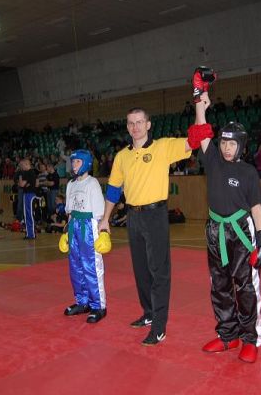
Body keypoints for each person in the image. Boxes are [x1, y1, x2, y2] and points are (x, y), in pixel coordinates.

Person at [190, 69, 261, 364]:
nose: (226, 147)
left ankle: (250, 338)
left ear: (241, 145)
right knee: (220, 286)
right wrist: (199, 99)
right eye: (223, 142)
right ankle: (228, 335)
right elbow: (201, 130)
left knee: (245, 286)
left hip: (240, 231)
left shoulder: (248, 172)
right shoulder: (212, 159)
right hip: (215, 230)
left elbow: (256, 208)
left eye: (231, 143)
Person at [98, 105, 193, 346]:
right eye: (131, 123)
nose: (135, 127)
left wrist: (200, 108)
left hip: (155, 215)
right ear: (127, 126)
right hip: (133, 216)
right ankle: (149, 313)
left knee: (159, 271)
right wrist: (105, 218)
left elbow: (193, 140)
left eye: (140, 122)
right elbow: (113, 189)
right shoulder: (122, 156)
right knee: (141, 270)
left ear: (148, 125)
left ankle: (159, 327)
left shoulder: (163, 147)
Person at [64, 149, 107, 323]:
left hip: (89, 226)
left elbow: (99, 213)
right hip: (74, 225)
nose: (74, 165)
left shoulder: (92, 183)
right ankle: (82, 302)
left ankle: (98, 306)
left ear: (86, 163)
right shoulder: (70, 184)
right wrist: (66, 232)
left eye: (78, 162)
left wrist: (102, 233)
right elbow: (69, 211)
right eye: (73, 162)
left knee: (91, 266)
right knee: (75, 266)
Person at [18, 159, 37, 240]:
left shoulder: (29, 173)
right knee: (27, 214)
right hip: (28, 194)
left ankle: (31, 234)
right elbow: (23, 185)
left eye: (22, 165)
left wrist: (20, 177)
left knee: (29, 214)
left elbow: (21, 184)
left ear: (26, 164)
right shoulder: (29, 173)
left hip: (29, 194)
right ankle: (30, 233)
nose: (21, 167)